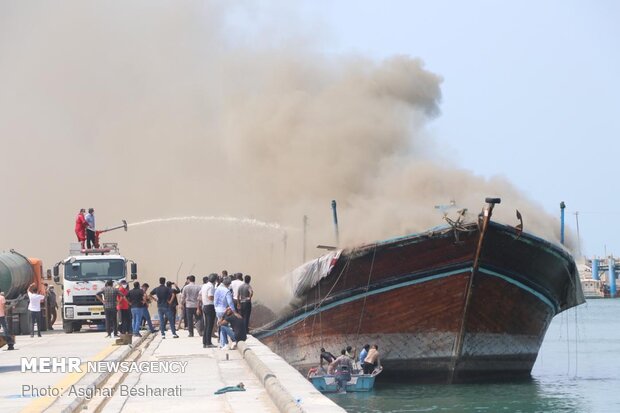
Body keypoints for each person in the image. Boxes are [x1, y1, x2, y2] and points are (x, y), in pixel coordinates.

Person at [200, 274, 217, 348]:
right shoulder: (211, 286)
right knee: (210, 326)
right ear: (215, 280)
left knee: (206, 325)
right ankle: (208, 343)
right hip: (210, 306)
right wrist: (217, 299)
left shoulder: (204, 285)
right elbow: (210, 297)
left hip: (205, 306)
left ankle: (205, 342)